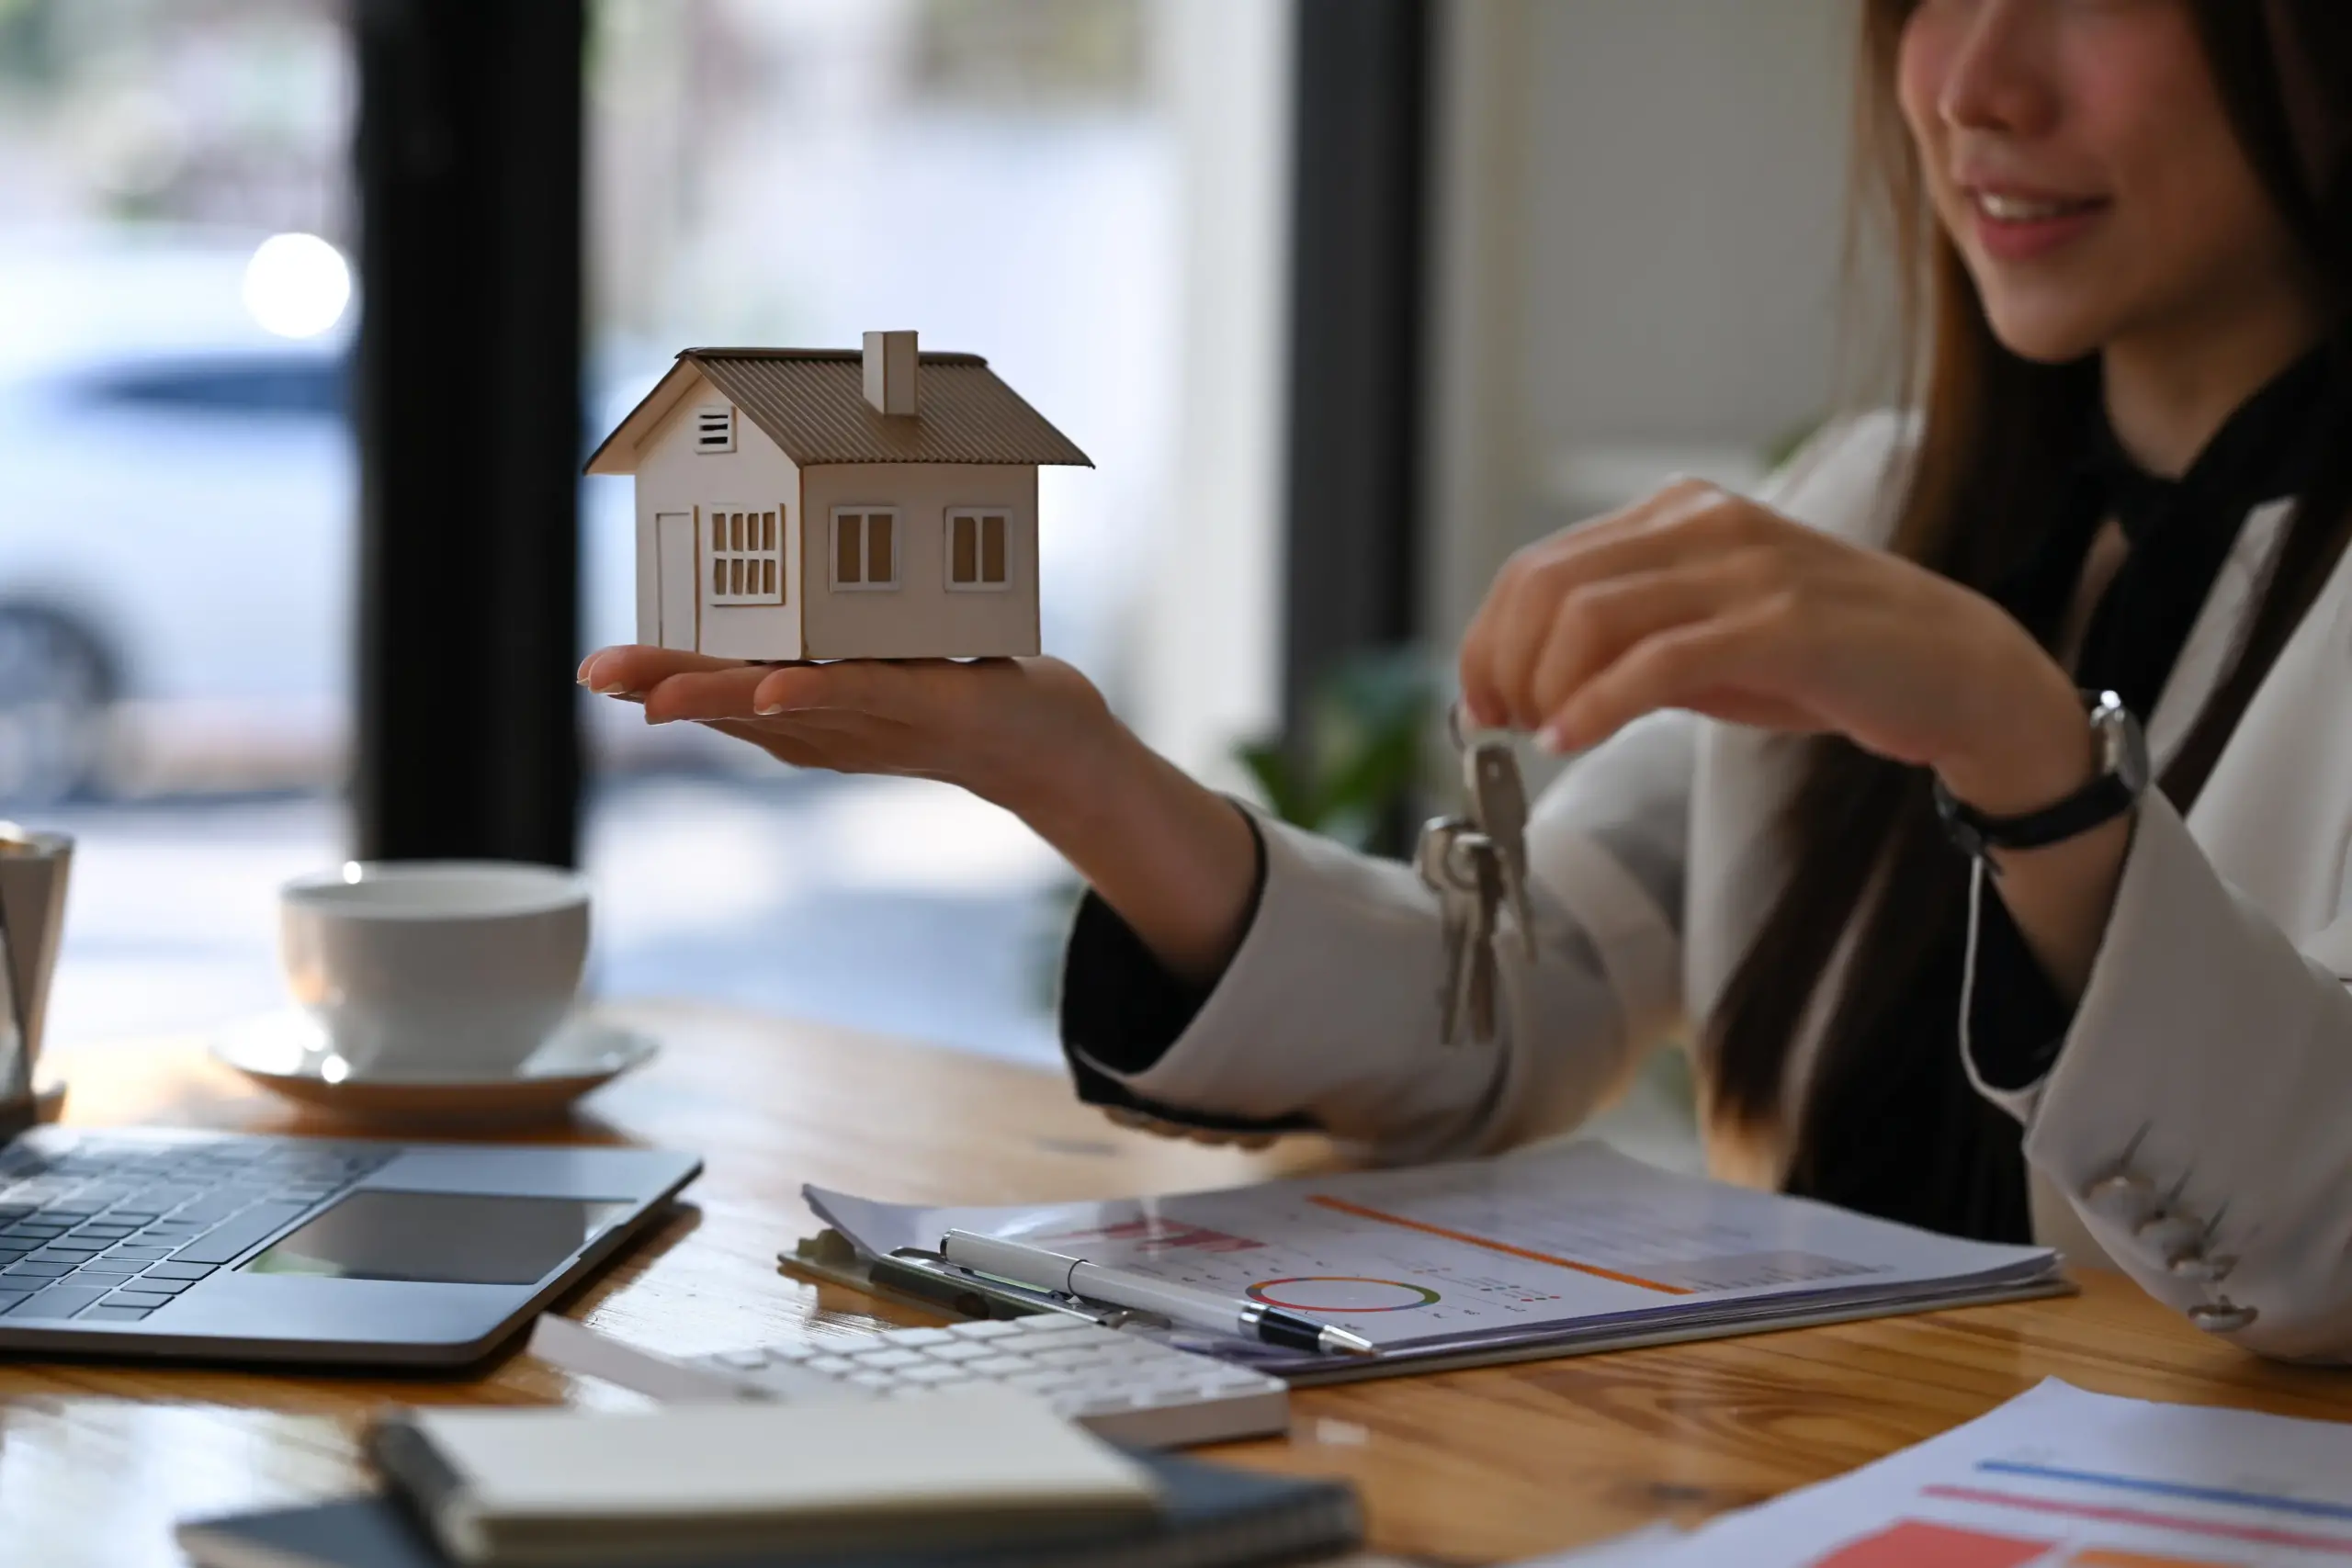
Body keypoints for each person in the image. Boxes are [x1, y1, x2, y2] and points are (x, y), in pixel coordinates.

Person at [581, 0, 2352, 1362]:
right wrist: (1079, 772)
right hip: (1812, 1477)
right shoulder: (1880, 499)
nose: (1971, 84)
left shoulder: (1949, 600)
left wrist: (2030, 758)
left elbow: (2321, 1244)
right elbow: (1527, 999)